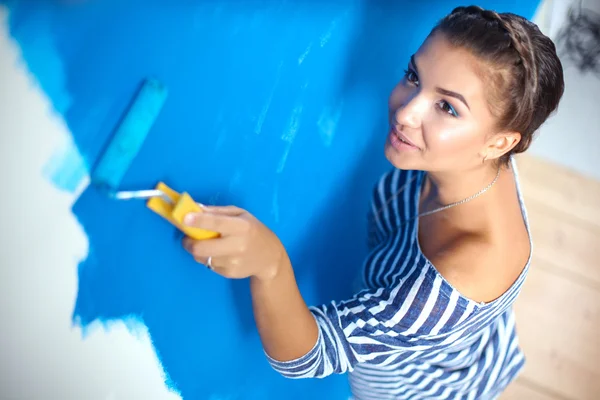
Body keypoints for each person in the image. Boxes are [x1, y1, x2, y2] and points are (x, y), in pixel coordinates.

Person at [181, 5, 564, 399]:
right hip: (462, 347)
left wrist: (270, 264)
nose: (405, 111)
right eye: (414, 76)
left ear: (500, 142)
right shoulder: (479, 160)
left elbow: (307, 357)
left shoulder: (454, 280)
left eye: (447, 107)